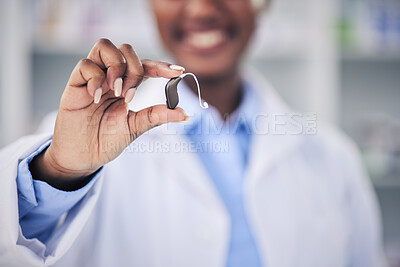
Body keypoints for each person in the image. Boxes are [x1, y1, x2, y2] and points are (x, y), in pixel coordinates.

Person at [0, 0, 385, 266]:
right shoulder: (79, 140)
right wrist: (62, 171)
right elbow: (15, 243)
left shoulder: (332, 156)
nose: (202, 7)